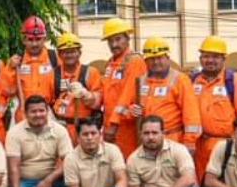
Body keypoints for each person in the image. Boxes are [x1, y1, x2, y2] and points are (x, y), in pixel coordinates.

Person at [117, 37, 201, 157]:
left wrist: (189, 143)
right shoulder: (140, 81)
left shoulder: (180, 80)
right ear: (146, 61)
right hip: (146, 142)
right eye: (151, 59)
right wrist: (131, 111)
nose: (156, 62)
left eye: (159, 58)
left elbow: (191, 116)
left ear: (168, 58)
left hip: (172, 141)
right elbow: (121, 109)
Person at [191, 35, 237, 181]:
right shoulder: (192, 81)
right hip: (199, 146)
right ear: (200, 58)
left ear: (224, 59)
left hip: (227, 147)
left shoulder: (234, 81)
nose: (210, 60)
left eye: (215, 56)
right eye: (206, 56)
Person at [5, 94, 71, 187]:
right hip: (27, 180)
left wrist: (49, 179)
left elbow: (69, 161)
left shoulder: (60, 131)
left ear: (47, 111)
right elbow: (14, 168)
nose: (38, 114)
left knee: (75, 179)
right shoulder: (14, 133)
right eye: (33, 111)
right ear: (25, 113)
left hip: (53, 179)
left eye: (42, 110)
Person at [99, 18, 148, 158]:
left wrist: (113, 124)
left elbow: (127, 95)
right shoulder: (111, 63)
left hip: (126, 128)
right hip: (110, 126)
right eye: (110, 41)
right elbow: (105, 93)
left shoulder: (134, 61)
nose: (114, 44)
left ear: (128, 38)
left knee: (127, 165)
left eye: (118, 39)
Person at [0, 15, 60, 125]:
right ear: (24, 40)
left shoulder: (54, 58)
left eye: (38, 39)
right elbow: (6, 91)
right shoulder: (17, 61)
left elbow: (63, 89)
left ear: (45, 38)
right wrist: (10, 69)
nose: (34, 43)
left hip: (48, 113)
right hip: (23, 112)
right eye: (30, 39)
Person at [52, 33, 103, 145]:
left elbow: (99, 100)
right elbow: (47, 101)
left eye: (73, 51)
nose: (69, 55)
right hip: (60, 128)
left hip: (85, 128)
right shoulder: (53, 74)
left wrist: (86, 95)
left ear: (79, 53)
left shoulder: (91, 72)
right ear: (60, 54)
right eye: (65, 52)